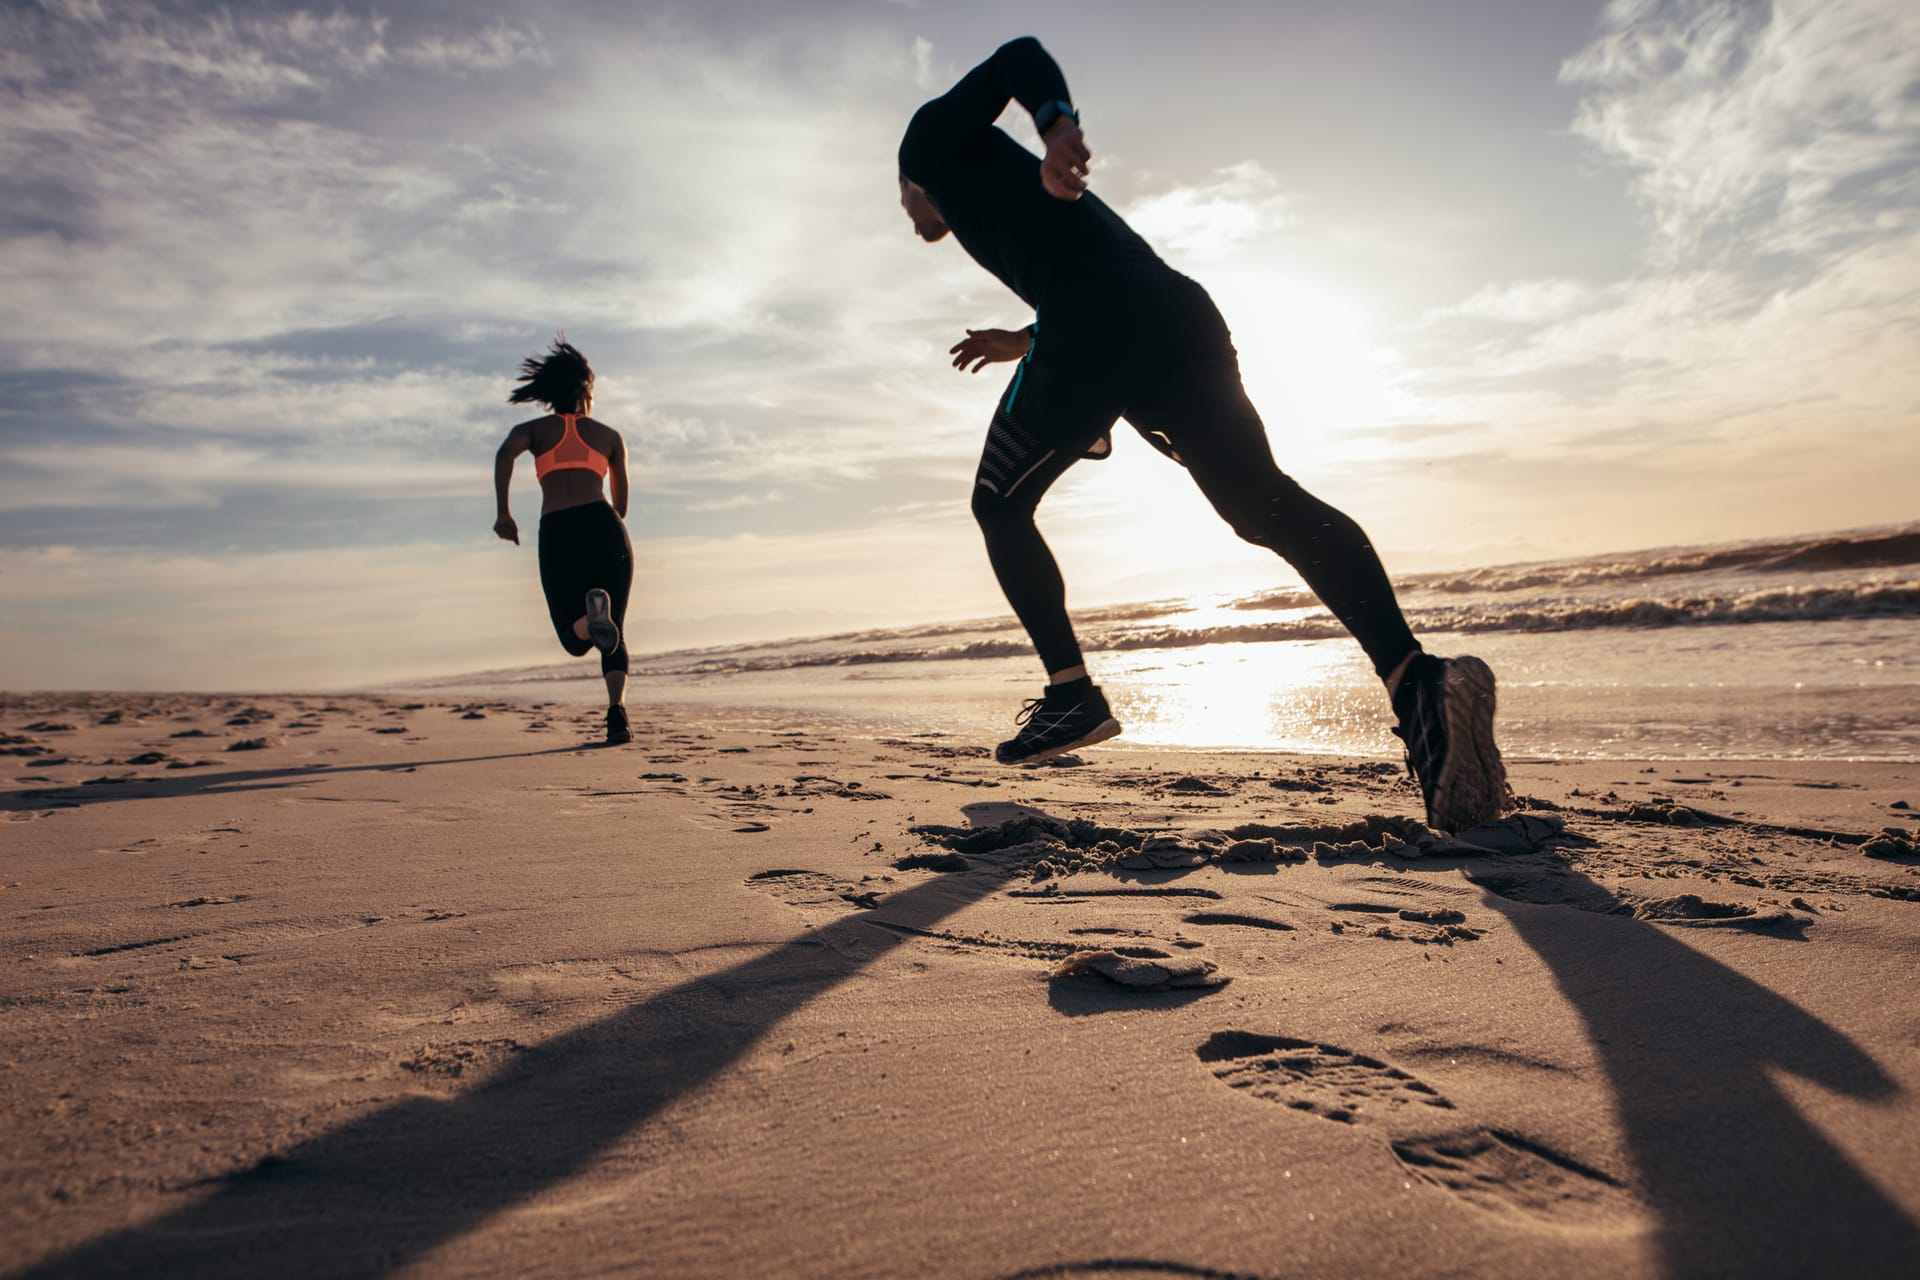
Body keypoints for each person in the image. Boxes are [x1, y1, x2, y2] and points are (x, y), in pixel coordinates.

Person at [898, 37, 1507, 830]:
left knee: (999, 507)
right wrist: (1027, 337)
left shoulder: (927, 142)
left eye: (908, 212)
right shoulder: (999, 195)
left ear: (907, 185)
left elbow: (1018, 54)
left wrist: (1054, 126)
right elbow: (1092, 269)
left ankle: (1070, 695)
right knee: (1264, 506)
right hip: (1174, 311)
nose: (918, 226)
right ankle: (1418, 687)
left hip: (1091, 321)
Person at [492, 338, 635, 746]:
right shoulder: (609, 436)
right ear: (586, 392)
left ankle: (586, 621)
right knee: (616, 634)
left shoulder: (533, 431)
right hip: (604, 525)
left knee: (574, 640)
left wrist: (504, 512)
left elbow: (505, 454)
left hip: (558, 531)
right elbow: (621, 506)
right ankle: (617, 715)